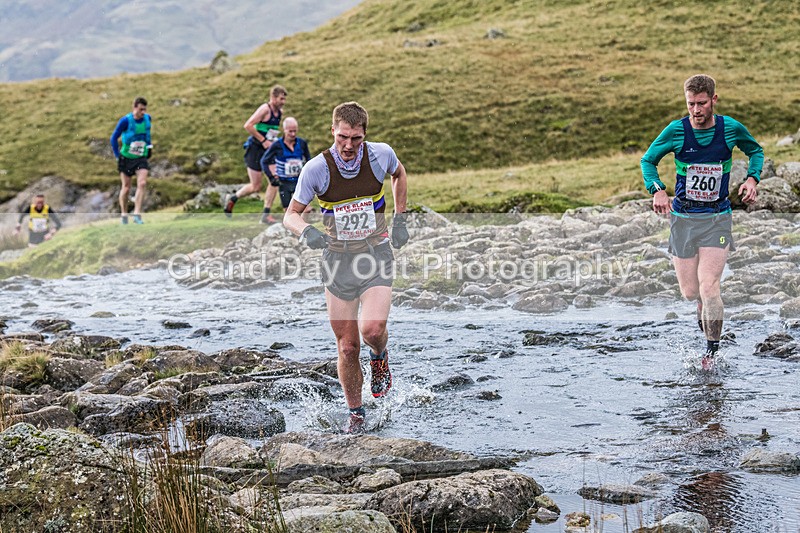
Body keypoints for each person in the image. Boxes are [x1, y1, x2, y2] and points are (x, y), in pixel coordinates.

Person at [283, 102, 409, 433]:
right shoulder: (316, 169)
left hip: (375, 253)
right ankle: (356, 412)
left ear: (365, 134)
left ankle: (380, 357)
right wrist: (306, 231)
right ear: (333, 131)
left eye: (355, 138)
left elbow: (399, 173)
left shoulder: (381, 155)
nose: (348, 145)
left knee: (371, 331)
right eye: (342, 137)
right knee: (348, 346)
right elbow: (290, 214)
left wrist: (401, 217)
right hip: (337, 260)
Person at [641, 74, 763, 368]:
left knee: (710, 287)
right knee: (691, 292)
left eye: (701, 104)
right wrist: (657, 190)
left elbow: (755, 151)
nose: (696, 110)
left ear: (713, 100)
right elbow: (648, 161)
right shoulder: (676, 131)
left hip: (717, 218)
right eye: (690, 104)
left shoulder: (730, 128)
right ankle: (703, 308)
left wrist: (752, 178)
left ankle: (710, 353)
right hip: (682, 218)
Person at [225, 85, 287, 219]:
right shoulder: (265, 109)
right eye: (281, 99)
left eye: (284, 99)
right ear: (273, 97)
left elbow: (270, 130)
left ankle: (266, 214)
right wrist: (263, 140)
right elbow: (248, 125)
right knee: (255, 186)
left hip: (268, 151)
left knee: (275, 179)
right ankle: (233, 198)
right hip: (255, 149)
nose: (283, 102)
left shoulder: (279, 112)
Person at [259, 116, 313, 220]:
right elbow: (264, 161)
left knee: (306, 210)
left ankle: (305, 231)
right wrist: (271, 178)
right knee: (288, 213)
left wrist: (309, 175)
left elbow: (309, 160)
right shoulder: (276, 145)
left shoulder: (302, 143)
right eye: (290, 131)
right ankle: (291, 233)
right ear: (284, 130)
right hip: (284, 183)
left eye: (295, 131)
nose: (293, 134)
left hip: (299, 182)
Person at [111, 96, 152, 224]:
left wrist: (149, 147)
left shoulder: (147, 119)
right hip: (126, 158)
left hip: (141, 157)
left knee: (142, 183)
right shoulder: (125, 121)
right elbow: (113, 138)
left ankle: (137, 214)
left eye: (144, 109)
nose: (143, 112)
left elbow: (147, 134)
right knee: (126, 187)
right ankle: (124, 214)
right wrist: (118, 155)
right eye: (140, 109)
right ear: (134, 108)